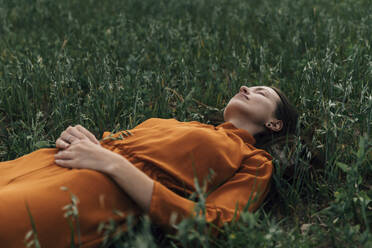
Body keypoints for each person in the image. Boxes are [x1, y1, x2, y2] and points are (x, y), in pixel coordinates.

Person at [0, 85, 298, 247]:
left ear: (275, 123)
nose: (246, 86)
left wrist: (115, 164)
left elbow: (212, 225)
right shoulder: (189, 125)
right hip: (46, 162)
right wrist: (82, 138)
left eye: (262, 92)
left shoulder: (255, 161)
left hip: (93, 191)